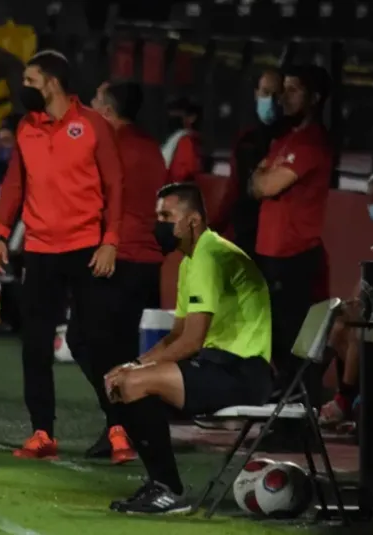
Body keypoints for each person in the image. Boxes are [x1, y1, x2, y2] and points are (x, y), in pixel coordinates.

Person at [104, 182, 272, 514]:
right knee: (121, 381)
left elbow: (192, 340)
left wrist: (138, 371)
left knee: (133, 383)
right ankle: (161, 484)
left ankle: (167, 489)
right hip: (218, 366)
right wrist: (135, 363)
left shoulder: (211, 255)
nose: (160, 224)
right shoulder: (190, 261)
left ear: (192, 221)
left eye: (167, 216)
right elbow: (175, 335)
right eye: (158, 217)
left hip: (242, 372)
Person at [0, 49, 123, 459]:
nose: (24, 88)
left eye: (30, 81)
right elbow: (14, 184)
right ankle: (43, 432)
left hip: (87, 250)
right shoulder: (26, 127)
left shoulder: (93, 124)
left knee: (99, 343)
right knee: (34, 345)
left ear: (52, 83)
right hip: (40, 250)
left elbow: (115, 184)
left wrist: (110, 240)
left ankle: (119, 427)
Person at [73, 80, 169, 463]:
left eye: (95, 101)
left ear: (108, 111)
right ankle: (125, 424)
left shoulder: (108, 146)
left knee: (87, 341)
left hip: (114, 257)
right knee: (122, 348)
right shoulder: (152, 147)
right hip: (147, 260)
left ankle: (121, 423)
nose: (89, 106)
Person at [250, 64, 333, 391]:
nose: (284, 97)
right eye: (283, 89)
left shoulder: (312, 143)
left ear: (315, 98)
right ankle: (282, 401)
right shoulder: (285, 139)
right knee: (274, 337)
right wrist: (261, 178)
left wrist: (262, 177)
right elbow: (255, 184)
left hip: (293, 255)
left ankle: (298, 405)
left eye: (293, 90)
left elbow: (265, 185)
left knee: (294, 339)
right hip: (271, 252)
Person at [320, 168, 373, 426]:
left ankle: (345, 400)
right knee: (338, 327)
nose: (370, 205)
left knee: (356, 332)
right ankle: (352, 397)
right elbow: (371, 276)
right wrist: (352, 302)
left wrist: (356, 302)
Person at [214, 68, 283, 256]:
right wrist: (216, 226)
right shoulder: (245, 139)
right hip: (244, 233)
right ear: (256, 93)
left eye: (276, 94)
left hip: (275, 238)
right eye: (265, 92)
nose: (270, 100)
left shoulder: (290, 141)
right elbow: (234, 186)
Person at [161, 96, 203, 182]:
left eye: (178, 113)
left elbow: (183, 174)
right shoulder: (175, 139)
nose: (173, 116)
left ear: (192, 117)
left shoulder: (186, 141)